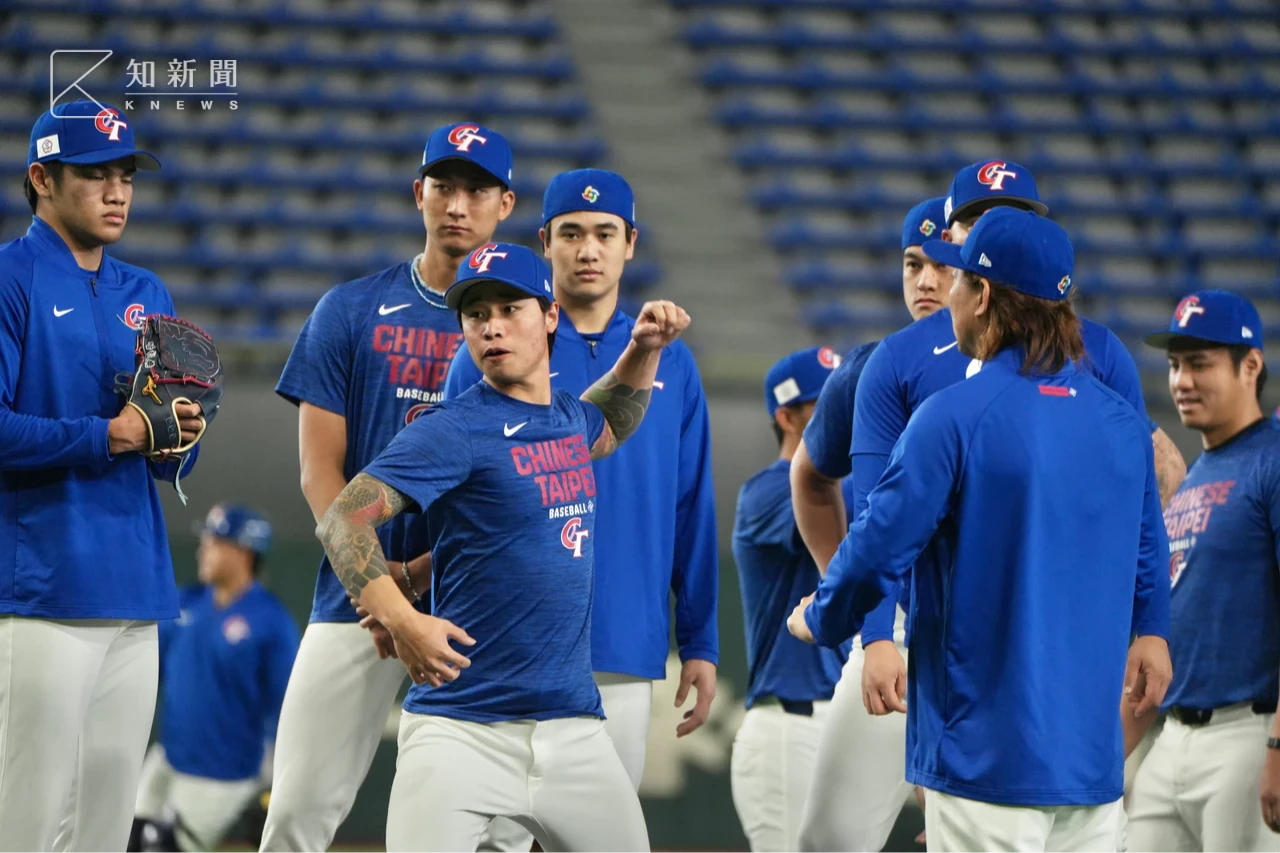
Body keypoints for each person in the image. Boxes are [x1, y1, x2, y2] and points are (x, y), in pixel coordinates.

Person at [789, 208, 1173, 852]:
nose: (948, 296)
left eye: (959, 279)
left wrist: (823, 617)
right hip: (1089, 765)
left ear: (984, 295)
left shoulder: (952, 417)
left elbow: (879, 545)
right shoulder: (1122, 424)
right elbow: (1148, 541)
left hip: (982, 754)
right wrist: (1154, 627)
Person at [319, 243, 688, 851]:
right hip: (460, 732)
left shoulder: (568, 420)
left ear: (550, 316)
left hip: (574, 730)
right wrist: (403, 620)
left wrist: (644, 348)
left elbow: (613, 420)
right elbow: (342, 521)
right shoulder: (454, 429)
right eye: (476, 314)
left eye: (509, 308)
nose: (491, 326)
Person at [264, 123, 515, 852]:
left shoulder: (528, 326)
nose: (458, 205)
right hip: (355, 597)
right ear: (418, 194)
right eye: (444, 187)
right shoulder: (349, 309)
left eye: (477, 190)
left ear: (505, 203)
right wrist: (381, 590)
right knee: (296, 812)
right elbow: (319, 472)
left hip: (478, 600)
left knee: (495, 830)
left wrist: (417, 579)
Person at [443, 170, 718, 814]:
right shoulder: (494, 349)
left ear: (630, 243)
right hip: (506, 642)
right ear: (545, 242)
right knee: (500, 837)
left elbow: (690, 507)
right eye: (570, 233)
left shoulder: (672, 361)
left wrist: (700, 641)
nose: (587, 249)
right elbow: (449, 504)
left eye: (604, 233)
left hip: (623, 640)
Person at [0, 100, 208, 853]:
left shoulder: (146, 292)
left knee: (105, 829)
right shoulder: (9, 277)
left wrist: (178, 438)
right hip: (42, 591)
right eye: (94, 175)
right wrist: (107, 433)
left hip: (136, 589)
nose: (117, 192)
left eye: (126, 175)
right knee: (24, 824)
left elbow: (167, 448)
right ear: (42, 179)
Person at [789, 196, 948, 852]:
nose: (926, 281)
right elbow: (809, 478)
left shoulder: (1043, 366)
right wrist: (853, 596)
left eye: (943, 264)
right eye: (913, 264)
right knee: (828, 840)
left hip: (1005, 636)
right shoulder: (873, 367)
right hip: (897, 632)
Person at [1126, 291, 1280, 852]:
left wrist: (1278, 747)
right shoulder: (1195, 477)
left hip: (1248, 732)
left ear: (1250, 365)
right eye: (1174, 365)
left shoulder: (1272, 459)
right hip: (1172, 737)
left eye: (1199, 363)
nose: (1181, 381)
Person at [730, 346, 852, 853]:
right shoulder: (767, 491)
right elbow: (850, 522)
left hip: (843, 725)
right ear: (787, 417)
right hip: (789, 727)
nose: (845, 412)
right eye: (827, 403)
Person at [133, 504, 299, 853]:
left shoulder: (271, 621)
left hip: (223, 774)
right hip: (167, 759)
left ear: (243, 552)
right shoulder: (185, 603)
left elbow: (286, 703)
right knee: (121, 839)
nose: (202, 551)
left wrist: (274, 775)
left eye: (214, 543)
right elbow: (146, 671)